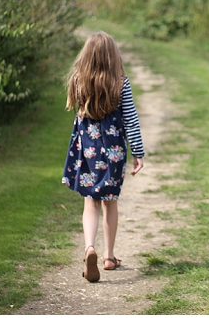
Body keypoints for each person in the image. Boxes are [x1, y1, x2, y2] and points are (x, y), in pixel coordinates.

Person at [62, 31, 144, 282]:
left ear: (86, 56)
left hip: (86, 151)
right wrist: (138, 152)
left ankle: (89, 248)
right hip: (113, 151)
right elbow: (130, 120)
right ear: (113, 57)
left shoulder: (78, 80)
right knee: (110, 201)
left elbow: (76, 112)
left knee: (90, 201)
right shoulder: (121, 83)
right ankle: (109, 256)